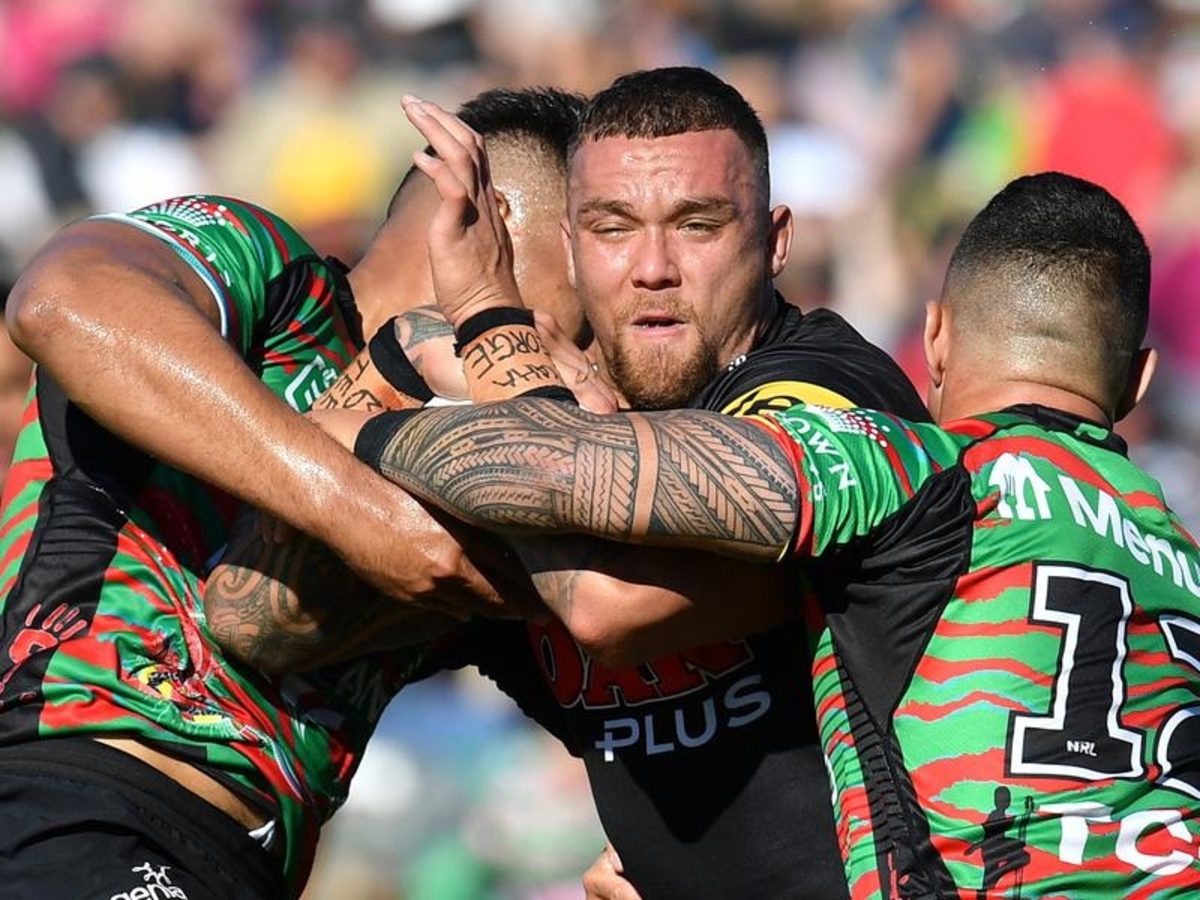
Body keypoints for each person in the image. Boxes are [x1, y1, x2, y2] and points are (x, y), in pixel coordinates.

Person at [320, 159, 1200, 898]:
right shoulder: (1185, 562)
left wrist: (361, 422)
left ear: (934, 340)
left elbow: (572, 480)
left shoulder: (922, 470)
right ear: (1139, 380)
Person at [242, 69, 927, 899]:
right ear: (570, 248)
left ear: (775, 240)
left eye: (698, 225)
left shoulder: (824, 388)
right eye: (612, 229)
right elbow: (252, 618)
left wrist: (416, 381)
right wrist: (405, 355)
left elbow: (603, 604)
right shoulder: (551, 407)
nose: (653, 268)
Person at [0, 86, 588, 899]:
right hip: (82, 797)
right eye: (602, 245)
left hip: (243, 867)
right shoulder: (273, 274)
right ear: (492, 225)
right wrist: (356, 512)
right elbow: (63, 298)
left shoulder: (487, 471)